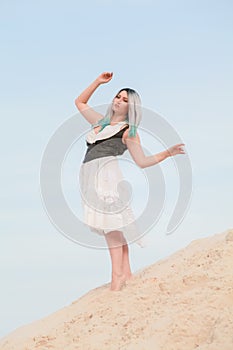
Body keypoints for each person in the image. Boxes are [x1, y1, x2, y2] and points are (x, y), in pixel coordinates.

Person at [75, 72, 185, 291]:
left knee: (111, 225)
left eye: (125, 100)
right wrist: (98, 82)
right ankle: (126, 273)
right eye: (118, 96)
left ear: (130, 107)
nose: (119, 101)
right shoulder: (100, 123)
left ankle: (117, 276)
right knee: (112, 226)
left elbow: (142, 161)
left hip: (107, 175)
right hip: (89, 176)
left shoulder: (128, 132)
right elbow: (79, 102)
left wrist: (168, 153)